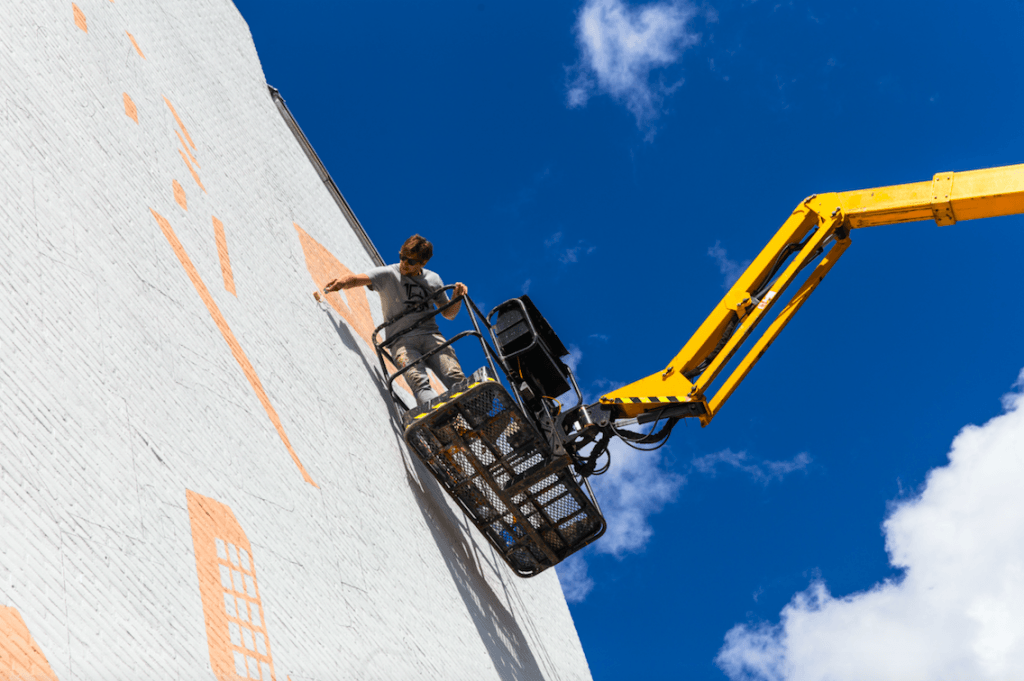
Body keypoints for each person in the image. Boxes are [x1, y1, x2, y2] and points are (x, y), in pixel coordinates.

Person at [324, 234, 468, 405]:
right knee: (418, 380)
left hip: (430, 335)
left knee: (453, 374)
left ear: (423, 263)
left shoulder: (433, 279)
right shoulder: (388, 274)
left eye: (411, 261)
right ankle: (438, 416)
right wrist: (342, 282)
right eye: (402, 257)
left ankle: (478, 410)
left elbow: (449, 314)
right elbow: (357, 279)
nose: (404, 264)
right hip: (401, 341)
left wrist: (457, 299)